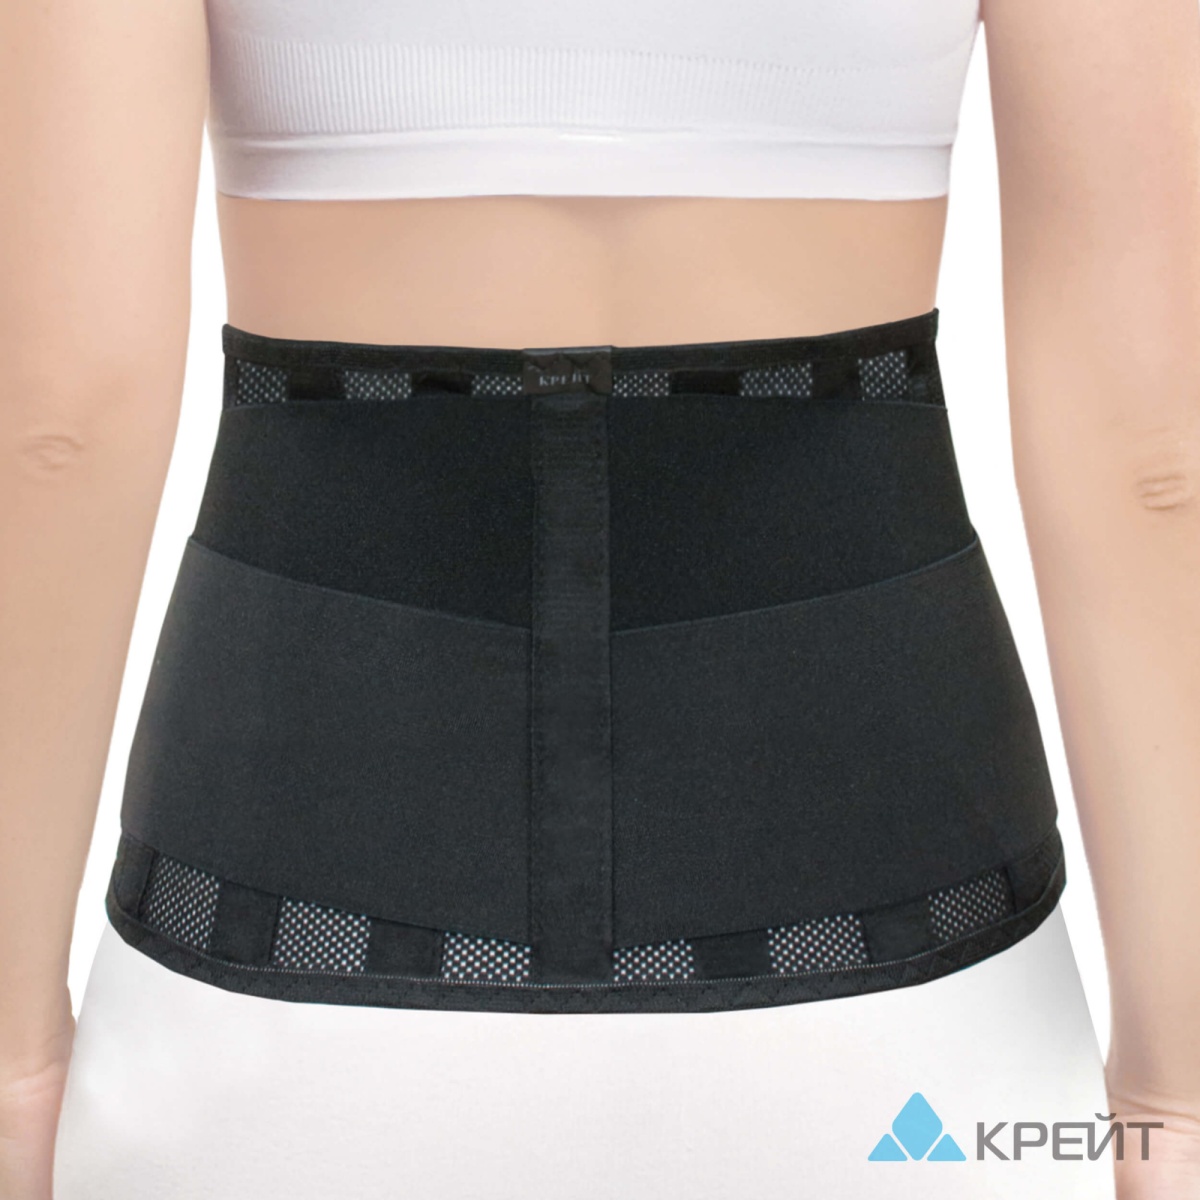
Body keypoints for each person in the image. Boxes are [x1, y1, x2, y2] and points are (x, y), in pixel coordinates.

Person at [2, 0, 1198, 1197]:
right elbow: (1151, 460)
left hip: (268, 1001)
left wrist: (11, 1068)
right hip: (911, 1015)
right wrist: (1173, 1103)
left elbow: (61, 421)